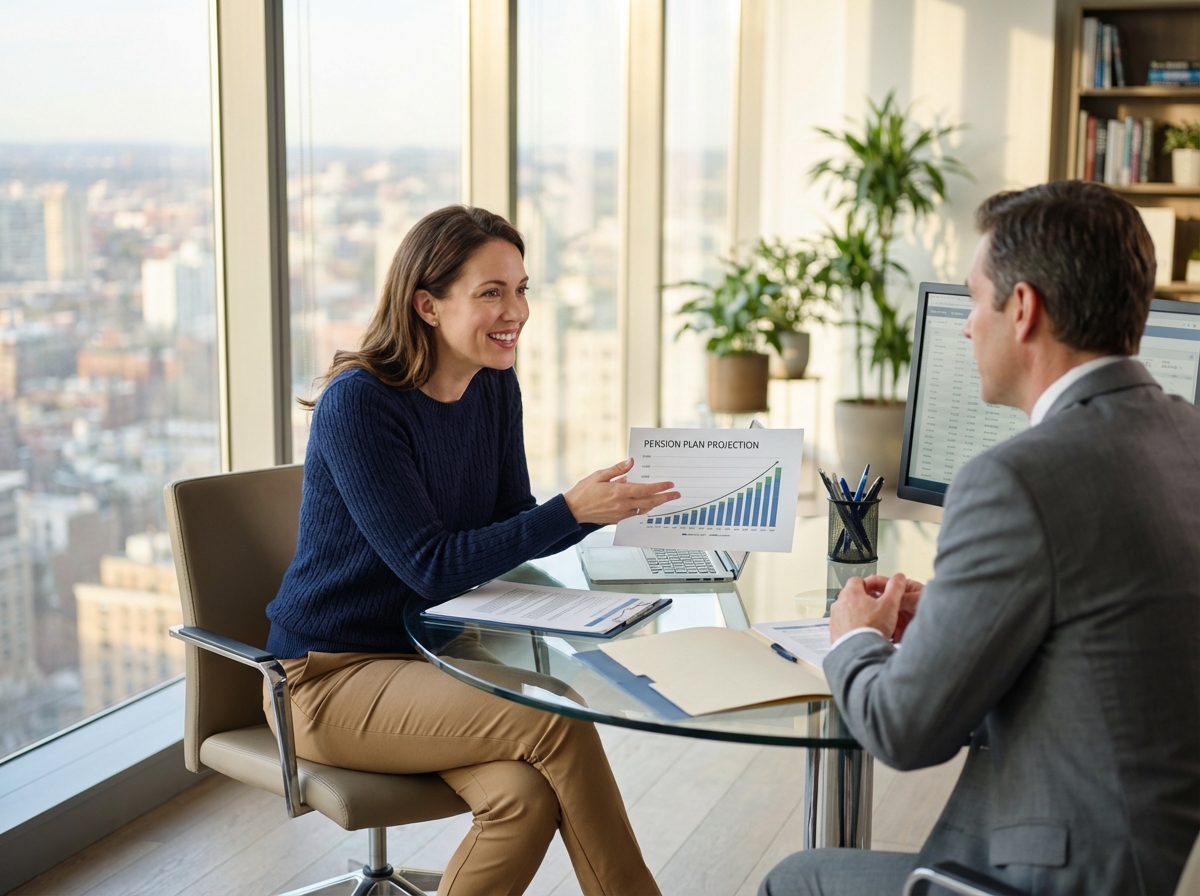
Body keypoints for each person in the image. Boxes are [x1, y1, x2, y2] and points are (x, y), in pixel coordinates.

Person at [761, 181, 1200, 895]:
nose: (966, 326)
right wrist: (958, 606)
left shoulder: (1015, 480)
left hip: (1068, 875)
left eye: (975, 299)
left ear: (1022, 310)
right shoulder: (1186, 433)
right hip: (1161, 854)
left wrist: (852, 636)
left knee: (798, 878)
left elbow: (904, 731)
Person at [264, 205, 677, 896]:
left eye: (521, 288)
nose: (515, 310)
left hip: (435, 654)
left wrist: (595, 514)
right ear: (427, 304)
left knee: (524, 796)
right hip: (329, 676)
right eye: (491, 292)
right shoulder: (361, 405)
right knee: (557, 718)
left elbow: (513, 520)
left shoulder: (492, 386)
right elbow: (429, 564)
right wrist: (570, 510)